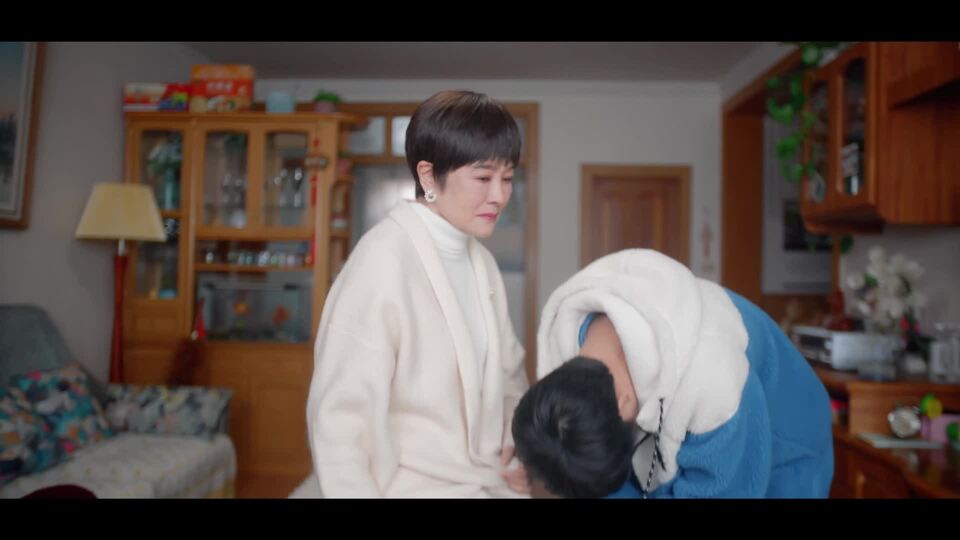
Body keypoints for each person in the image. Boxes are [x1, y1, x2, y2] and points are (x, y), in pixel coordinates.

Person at [305, 90, 531, 497]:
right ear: (428, 176)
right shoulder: (381, 261)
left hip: (488, 484)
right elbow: (339, 421)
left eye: (508, 178)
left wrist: (520, 449)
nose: (499, 195)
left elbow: (509, 377)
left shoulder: (482, 265)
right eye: (484, 178)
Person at [511, 248, 834, 498]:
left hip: (785, 443)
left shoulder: (714, 378)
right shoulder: (566, 373)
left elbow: (725, 489)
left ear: (624, 403)